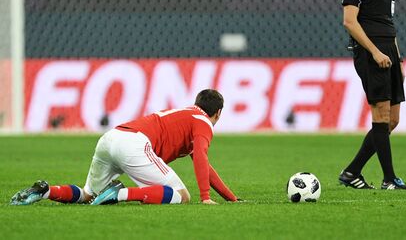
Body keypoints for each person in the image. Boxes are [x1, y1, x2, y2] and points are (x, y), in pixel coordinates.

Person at [11, 89, 240, 205]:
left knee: (88, 194)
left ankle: (45, 190)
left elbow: (204, 166)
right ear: (218, 112)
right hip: (134, 144)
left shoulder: (187, 115)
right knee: (181, 195)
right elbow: (200, 154)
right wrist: (205, 196)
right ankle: (119, 193)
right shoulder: (203, 122)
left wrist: (231, 199)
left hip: (110, 138)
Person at [338, 0, 406, 190]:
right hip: (370, 52)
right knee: (380, 114)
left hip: (389, 52)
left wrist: (398, 59)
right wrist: (374, 51)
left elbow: (388, 24)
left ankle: (352, 172)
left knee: (392, 120)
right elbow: (349, 21)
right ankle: (389, 178)